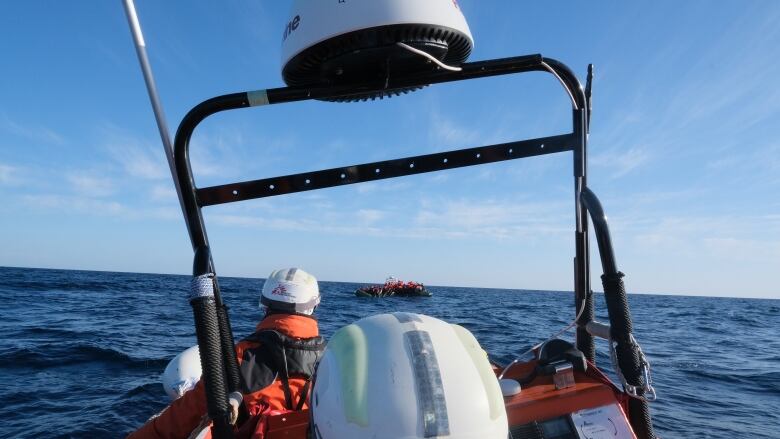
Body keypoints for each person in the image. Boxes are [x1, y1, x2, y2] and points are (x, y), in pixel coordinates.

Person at [130, 268, 325, 439]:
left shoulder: (237, 358)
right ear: (314, 306)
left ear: (264, 305)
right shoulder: (332, 360)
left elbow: (183, 417)